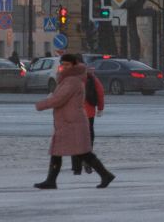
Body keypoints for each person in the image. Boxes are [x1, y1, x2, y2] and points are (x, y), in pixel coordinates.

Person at [33, 54, 113, 190]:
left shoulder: (72, 80)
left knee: (82, 152)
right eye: (62, 64)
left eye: (67, 65)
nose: (64, 67)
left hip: (72, 121)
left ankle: (105, 175)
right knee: (59, 151)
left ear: (74, 65)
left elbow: (60, 99)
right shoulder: (71, 78)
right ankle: (51, 180)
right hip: (68, 121)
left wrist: (41, 104)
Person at [73, 61, 105, 174]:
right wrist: (100, 108)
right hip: (89, 113)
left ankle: (77, 165)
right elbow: (100, 92)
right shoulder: (91, 78)